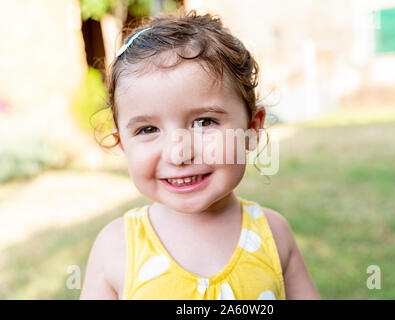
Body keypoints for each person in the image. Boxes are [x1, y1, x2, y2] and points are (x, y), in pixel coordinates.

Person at [80, 10, 320, 300]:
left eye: (204, 122)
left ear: (252, 128)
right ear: (122, 145)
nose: (179, 153)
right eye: (147, 129)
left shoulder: (273, 234)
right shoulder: (116, 246)